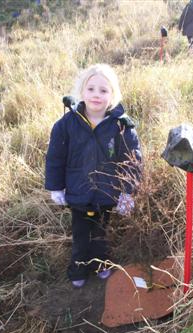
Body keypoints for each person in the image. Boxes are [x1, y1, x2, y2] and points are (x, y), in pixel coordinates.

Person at [45, 64, 142, 288]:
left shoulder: (122, 126)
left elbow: (132, 162)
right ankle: (78, 269)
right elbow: (55, 158)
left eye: (103, 90)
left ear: (113, 95)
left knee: (101, 234)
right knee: (80, 235)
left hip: (107, 194)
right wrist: (56, 187)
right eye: (91, 89)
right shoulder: (66, 125)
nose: (96, 95)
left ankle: (101, 264)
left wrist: (128, 193)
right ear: (82, 92)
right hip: (78, 193)